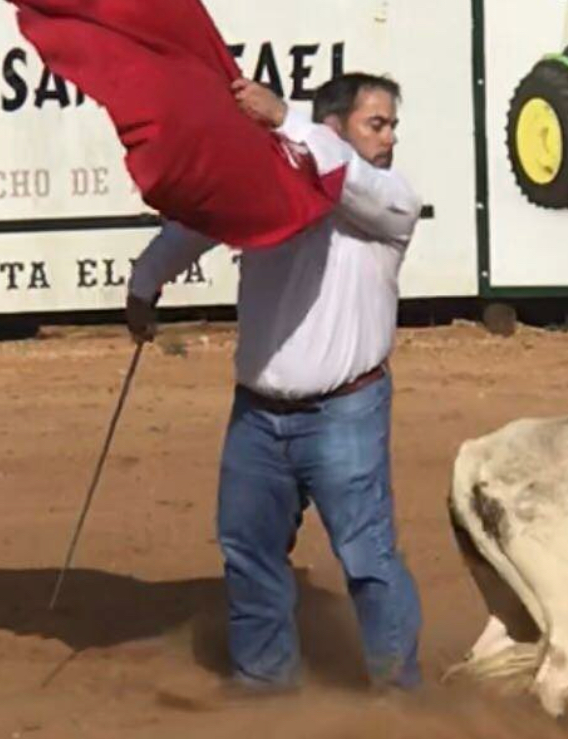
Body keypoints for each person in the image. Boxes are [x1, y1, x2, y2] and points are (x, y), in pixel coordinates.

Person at [127, 72, 424, 694]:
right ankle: (265, 683)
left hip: (346, 411)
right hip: (258, 415)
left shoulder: (387, 199)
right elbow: (201, 221)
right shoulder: (270, 187)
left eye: (393, 125)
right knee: (249, 551)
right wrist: (146, 280)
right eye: (378, 124)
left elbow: (341, 174)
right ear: (337, 125)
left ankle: (401, 694)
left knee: (368, 559)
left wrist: (283, 118)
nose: (390, 137)